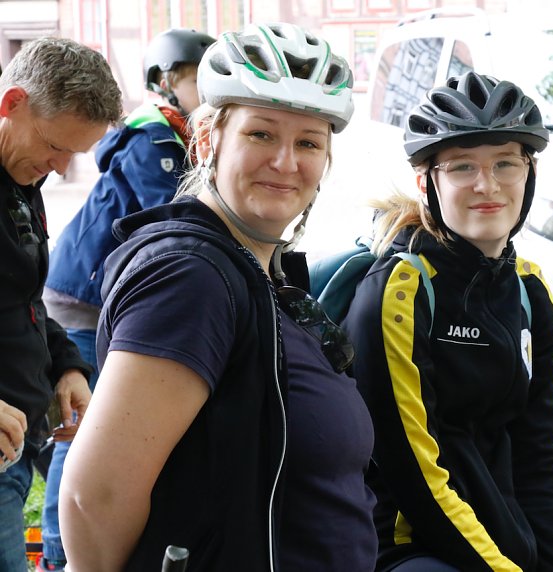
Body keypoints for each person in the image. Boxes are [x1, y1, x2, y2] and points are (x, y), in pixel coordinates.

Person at [59, 22, 377, 571]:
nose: (286, 162)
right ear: (208, 138)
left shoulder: (257, 268)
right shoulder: (190, 278)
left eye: (308, 143)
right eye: (261, 134)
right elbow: (96, 499)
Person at [343, 71, 553, 571]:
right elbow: (414, 473)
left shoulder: (529, 291)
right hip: (410, 547)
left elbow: (541, 458)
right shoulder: (401, 291)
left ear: (528, 174)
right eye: (462, 166)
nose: (486, 184)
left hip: (498, 540)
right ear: (429, 183)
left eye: (505, 164)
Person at [37, 27, 214, 572]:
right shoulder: (153, 136)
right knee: (84, 425)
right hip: (84, 296)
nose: (204, 91)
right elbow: (172, 208)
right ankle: (62, 551)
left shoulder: (176, 132)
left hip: (99, 291)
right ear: (166, 81)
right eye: (195, 80)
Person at [0, 37, 123, 572]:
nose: (59, 165)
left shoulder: (22, 177)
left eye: (74, 154)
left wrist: (65, 365)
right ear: (12, 103)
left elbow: (22, 298)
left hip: (19, 440)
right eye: (55, 145)